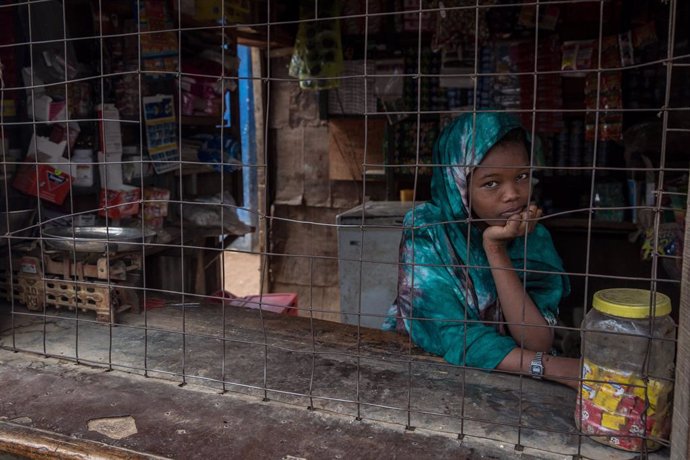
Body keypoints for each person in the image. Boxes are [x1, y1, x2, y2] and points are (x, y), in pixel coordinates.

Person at [393, 111, 580, 389]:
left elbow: (537, 340)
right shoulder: (428, 230)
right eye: (491, 183)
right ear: (459, 185)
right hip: (428, 376)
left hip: (513, 379)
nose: (513, 194)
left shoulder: (533, 235)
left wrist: (495, 248)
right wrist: (554, 368)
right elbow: (453, 335)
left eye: (522, 176)